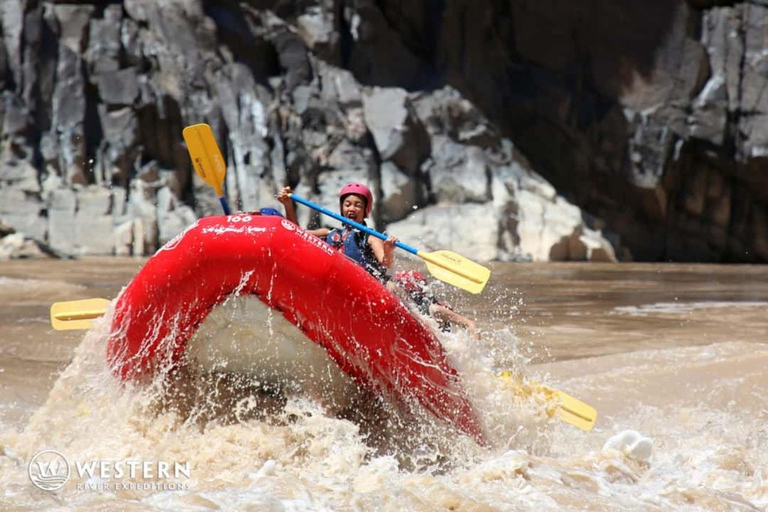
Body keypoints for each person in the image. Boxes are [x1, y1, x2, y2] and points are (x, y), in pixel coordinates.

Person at [277, 183, 398, 278]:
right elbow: (295, 233)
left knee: (391, 286)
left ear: (365, 210)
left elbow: (385, 263)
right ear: (342, 208)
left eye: (358, 205)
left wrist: (388, 249)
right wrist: (288, 204)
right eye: (347, 204)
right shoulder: (329, 233)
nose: (352, 208)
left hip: (364, 284)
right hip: (334, 280)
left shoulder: (371, 237)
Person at [392, 270, 480, 339]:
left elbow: (470, 324)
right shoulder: (408, 307)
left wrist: (477, 357)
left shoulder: (434, 309)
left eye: (400, 286)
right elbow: (390, 286)